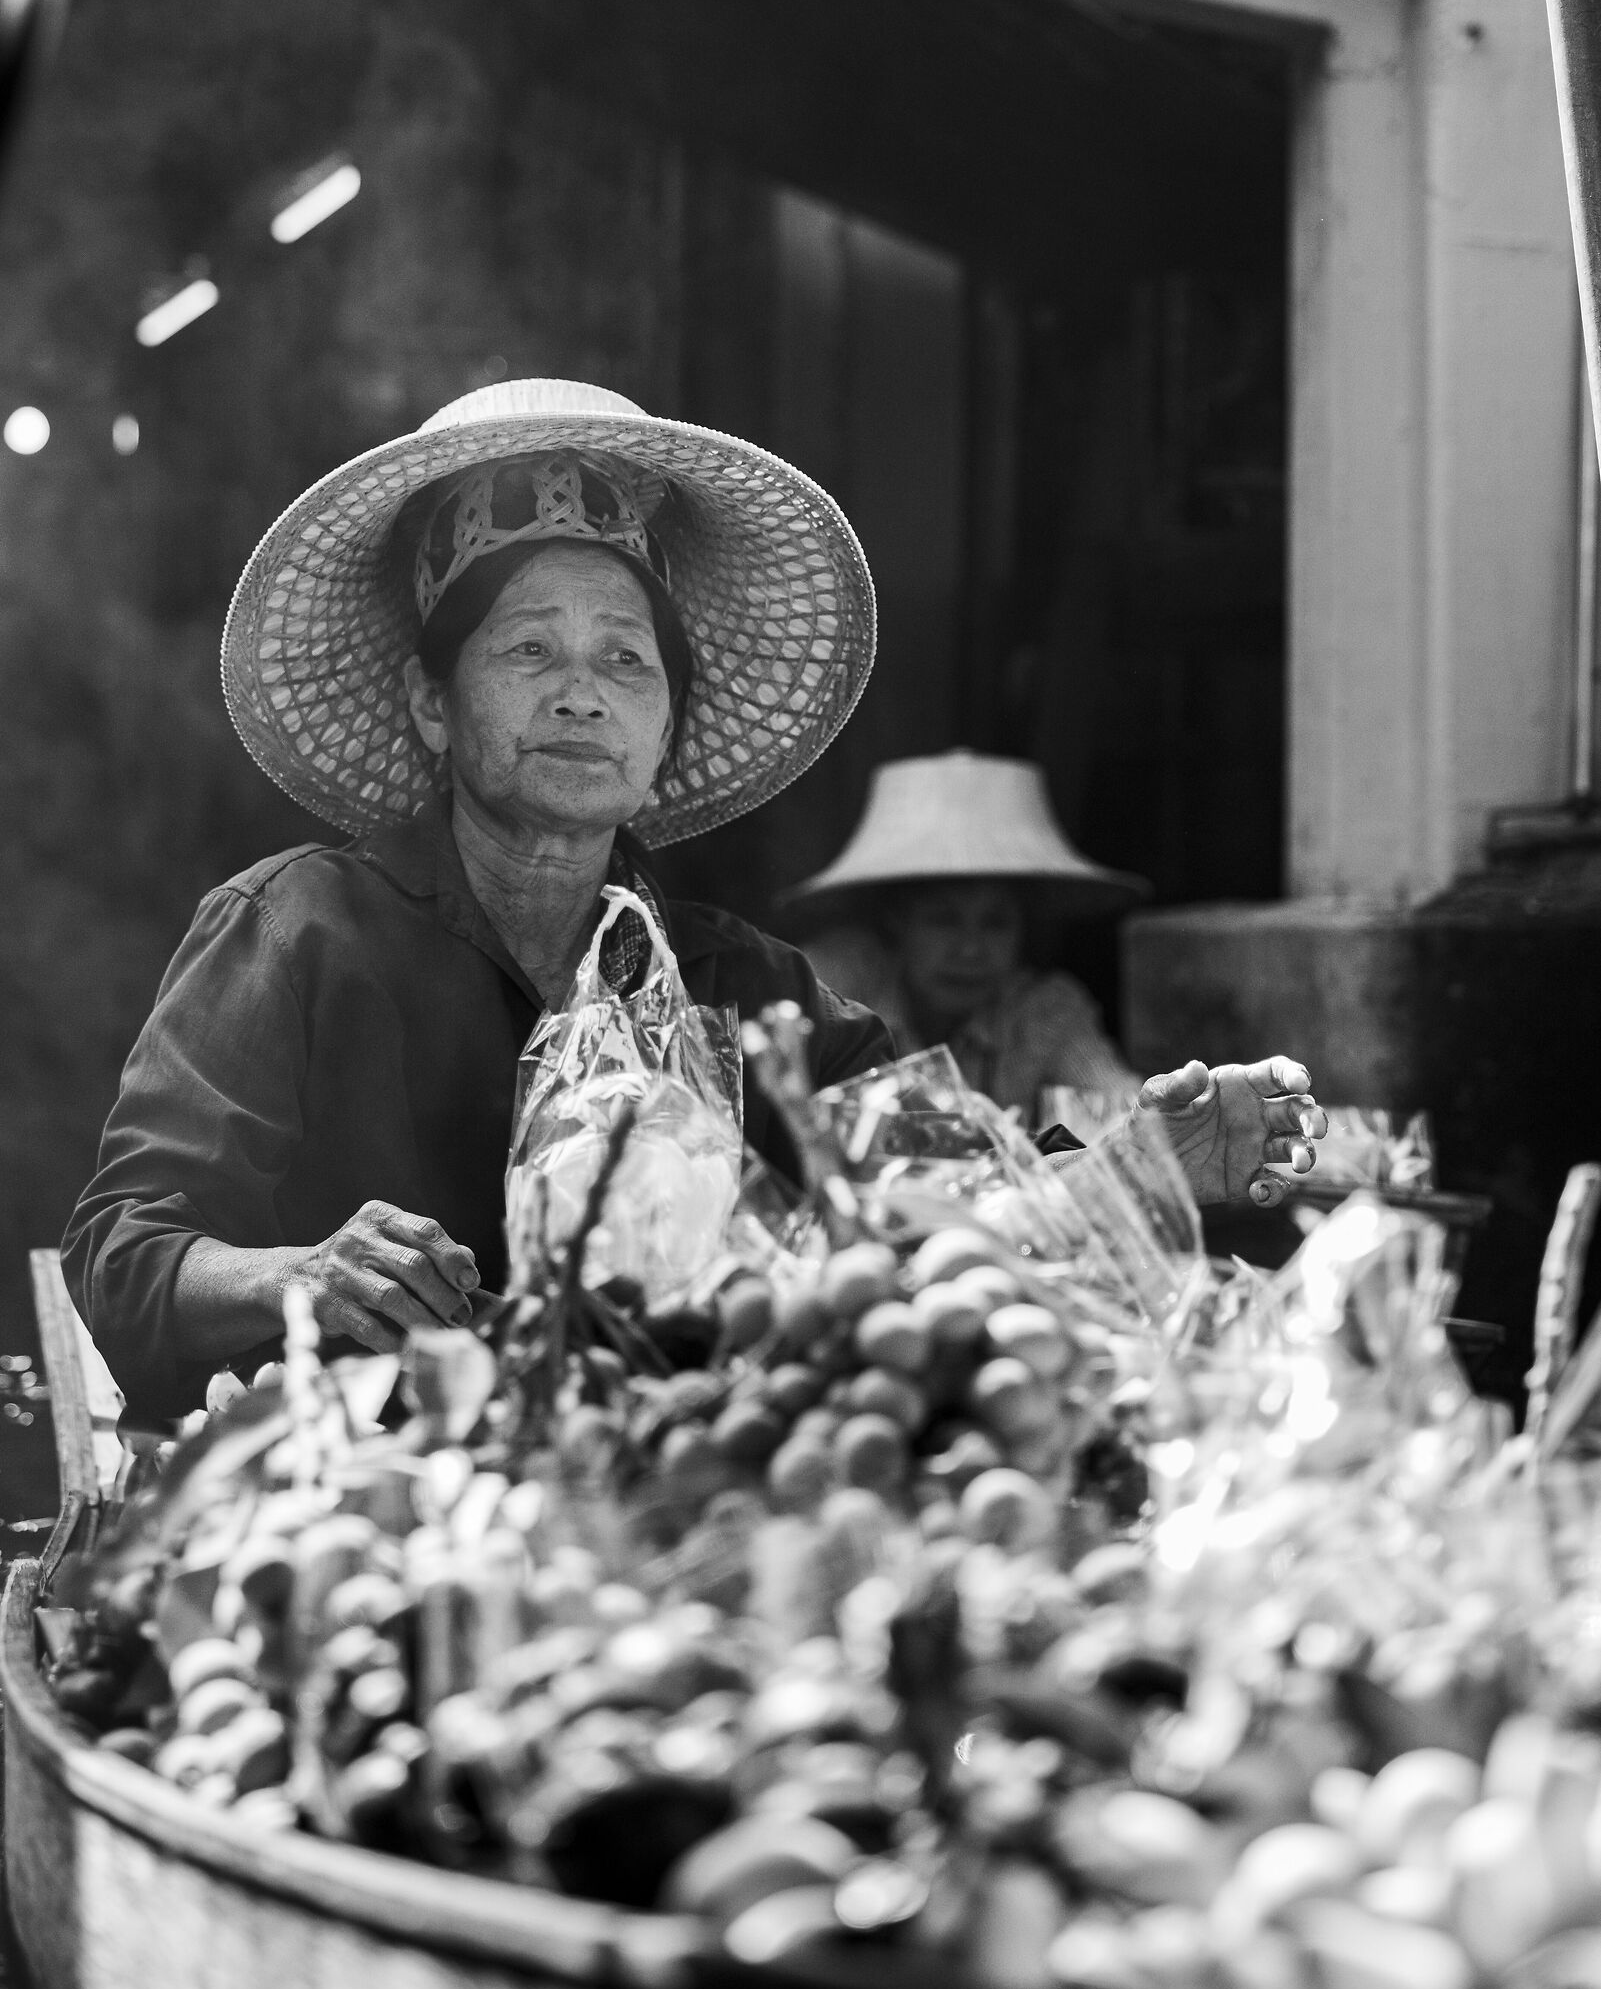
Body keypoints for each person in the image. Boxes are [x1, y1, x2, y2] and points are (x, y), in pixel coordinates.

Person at [65, 380, 1324, 1426]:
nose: (581, 695)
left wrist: (1132, 1169)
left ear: (666, 724)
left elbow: (936, 1209)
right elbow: (124, 1254)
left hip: (675, 1532)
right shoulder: (295, 930)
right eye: (525, 650)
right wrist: (300, 1276)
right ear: (431, 701)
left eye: (626, 659)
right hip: (357, 1532)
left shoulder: (752, 992)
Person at [796, 751, 1146, 1125]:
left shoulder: (1042, 1012)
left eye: (996, 923)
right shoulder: (836, 987)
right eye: (944, 920)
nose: (971, 949)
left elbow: (1124, 1113)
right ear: (897, 921)